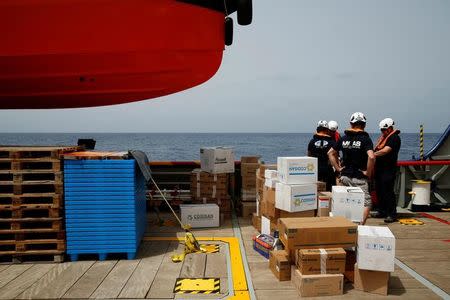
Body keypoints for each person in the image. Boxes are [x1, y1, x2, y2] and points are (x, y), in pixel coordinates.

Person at [328, 112, 375, 225]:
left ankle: (343, 227)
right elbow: (371, 157)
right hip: (359, 177)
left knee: (345, 203)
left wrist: (338, 168)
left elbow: (330, 153)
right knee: (366, 204)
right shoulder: (365, 139)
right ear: (364, 125)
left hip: (344, 176)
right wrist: (368, 172)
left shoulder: (343, 138)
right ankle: (359, 226)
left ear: (351, 123)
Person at [373, 118, 401, 223]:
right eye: (381, 130)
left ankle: (392, 214)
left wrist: (372, 154)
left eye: (384, 130)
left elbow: (386, 150)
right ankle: (382, 211)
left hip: (388, 169)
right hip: (380, 169)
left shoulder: (394, 138)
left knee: (388, 192)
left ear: (389, 128)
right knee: (379, 191)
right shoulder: (383, 138)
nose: (383, 132)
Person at [307, 120, 336, 191]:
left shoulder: (312, 141)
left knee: (315, 190)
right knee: (330, 190)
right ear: (327, 130)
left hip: (315, 170)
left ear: (317, 129)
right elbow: (334, 157)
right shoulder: (331, 142)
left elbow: (309, 156)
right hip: (328, 170)